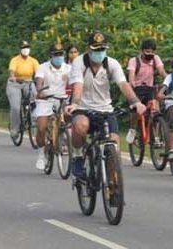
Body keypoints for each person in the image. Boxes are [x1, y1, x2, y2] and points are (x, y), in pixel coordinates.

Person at [65, 31, 146, 179]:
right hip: (83, 108)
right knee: (79, 126)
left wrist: (135, 102)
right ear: (89, 49)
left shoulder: (112, 64)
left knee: (114, 145)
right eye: (96, 50)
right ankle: (77, 157)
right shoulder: (79, 62)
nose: (99, 53)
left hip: (106, 110)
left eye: (102, 49)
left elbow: (123, 84)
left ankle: (113, 185)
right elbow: (78, 85)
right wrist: (75, 103)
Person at [33, 42, 71, 170]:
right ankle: (41, 153)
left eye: (61, 54)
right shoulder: (42, 67)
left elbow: (77, 83)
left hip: (62, 99)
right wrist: (40, 91)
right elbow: (39, 82)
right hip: (46, 99)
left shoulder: (68, 68)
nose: (59, 57)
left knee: (70, 115)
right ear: (51, 56)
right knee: (41, 127)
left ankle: (64, 136)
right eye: (56, 54)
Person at [125, 38, 166, 143]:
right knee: (136, 110)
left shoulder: (156, 59)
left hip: (149, 88)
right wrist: (132, 83)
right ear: (142, 51)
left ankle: (155, 137)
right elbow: (131, 75)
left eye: (152, 51)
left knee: (155, 110)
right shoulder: (134, 61)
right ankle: (133, 130)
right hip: (137, 88)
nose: (150, 54)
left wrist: (168, 80)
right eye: (147, 51)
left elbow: (161, 71)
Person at [6, 40, 40, 141]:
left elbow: (38, 73)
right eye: (23, 48)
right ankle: (15, 129)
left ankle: (34, 118)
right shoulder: (15, 60)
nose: (26, 50)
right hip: (15, 83)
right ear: (20, 50)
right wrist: (13, 77)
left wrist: (39, 82)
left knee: (36, 98)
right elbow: (11, 70)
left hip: (28, 82)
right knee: (15, 107)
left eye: (27, 48)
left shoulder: (33, 61)